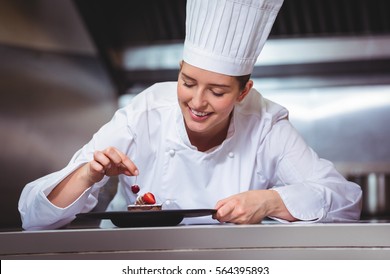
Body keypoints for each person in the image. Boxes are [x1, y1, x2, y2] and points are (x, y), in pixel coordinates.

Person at [18, 0, 362, 230]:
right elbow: (32, 216)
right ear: (180, 71)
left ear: (243, 92)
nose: (197, 101)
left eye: (217, 91)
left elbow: (345, 201)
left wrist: (269, 201)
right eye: (188, 82)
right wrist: (88, 175)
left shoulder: (264, 123)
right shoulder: (145, 113)